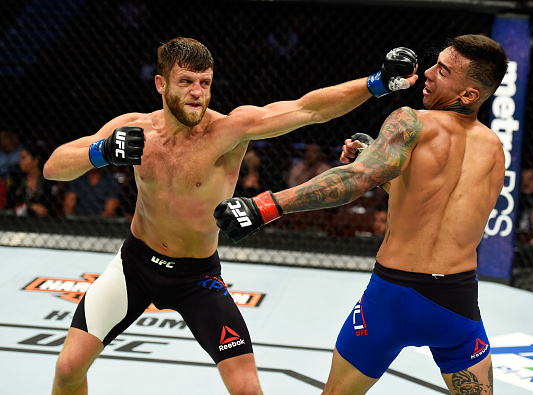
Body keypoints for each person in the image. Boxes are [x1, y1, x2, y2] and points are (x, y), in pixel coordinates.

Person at [43, 36, 418, 394]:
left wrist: (378, 83)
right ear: (160, 84)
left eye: (204, 82)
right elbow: (53, 167)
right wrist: (101, 151)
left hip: (196, 276)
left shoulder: (229, 130)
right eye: (186, 81)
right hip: (135, 266)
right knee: (67, 368)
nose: (197, 92)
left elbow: (309, 108)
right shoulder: (134, 128)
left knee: (246, 388)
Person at [215, 34, 508, 394]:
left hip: (392, 298)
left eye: (443, 71)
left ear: (469, 95)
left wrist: (265, 206)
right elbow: (436, 206)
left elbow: (356, 182)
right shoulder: (495, 150)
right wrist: (373, 157)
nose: (428, 72)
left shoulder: (410, 120)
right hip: (457, 305)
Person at [5, 143, 56, 217]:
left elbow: (50, 205)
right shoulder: (16, 179)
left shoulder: (48, 182)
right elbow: (11, 204)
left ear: (36, 161)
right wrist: (30, 206)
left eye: (23, 158)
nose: (19, 161)